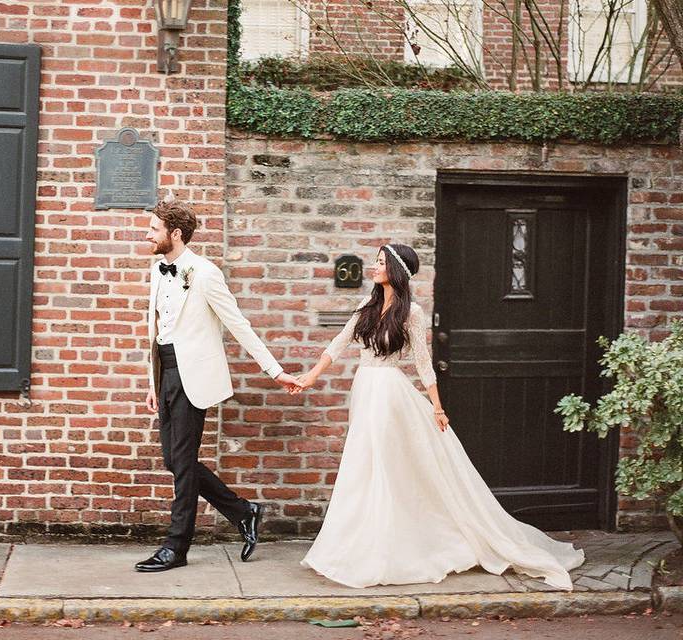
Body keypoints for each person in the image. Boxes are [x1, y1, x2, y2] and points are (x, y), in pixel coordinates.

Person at [294, 244, 584, 590]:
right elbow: (339, 344)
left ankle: (383, 551)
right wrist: (311, 376)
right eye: (375, 261)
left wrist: (437, 406)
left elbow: (422, 362)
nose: (374, 266)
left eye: (381, 262)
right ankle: (353, 548)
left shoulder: (410, 313)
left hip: (390, 393)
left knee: (382, 468)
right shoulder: (366, 306)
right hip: (365, 389)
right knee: (361, 466)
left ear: (397, 270)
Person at [135, 201, 302, 573]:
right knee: (175, 461)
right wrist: (153, 382)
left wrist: (275, 371)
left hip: (192, 378)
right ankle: (243, 511)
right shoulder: (157, 270)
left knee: (181, 463)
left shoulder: (206, 273)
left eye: (153, 229)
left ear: (175, 234)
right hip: (166, 375)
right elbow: (157, 332)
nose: (147, 234)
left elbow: (239, 325)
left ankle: (176, 547)